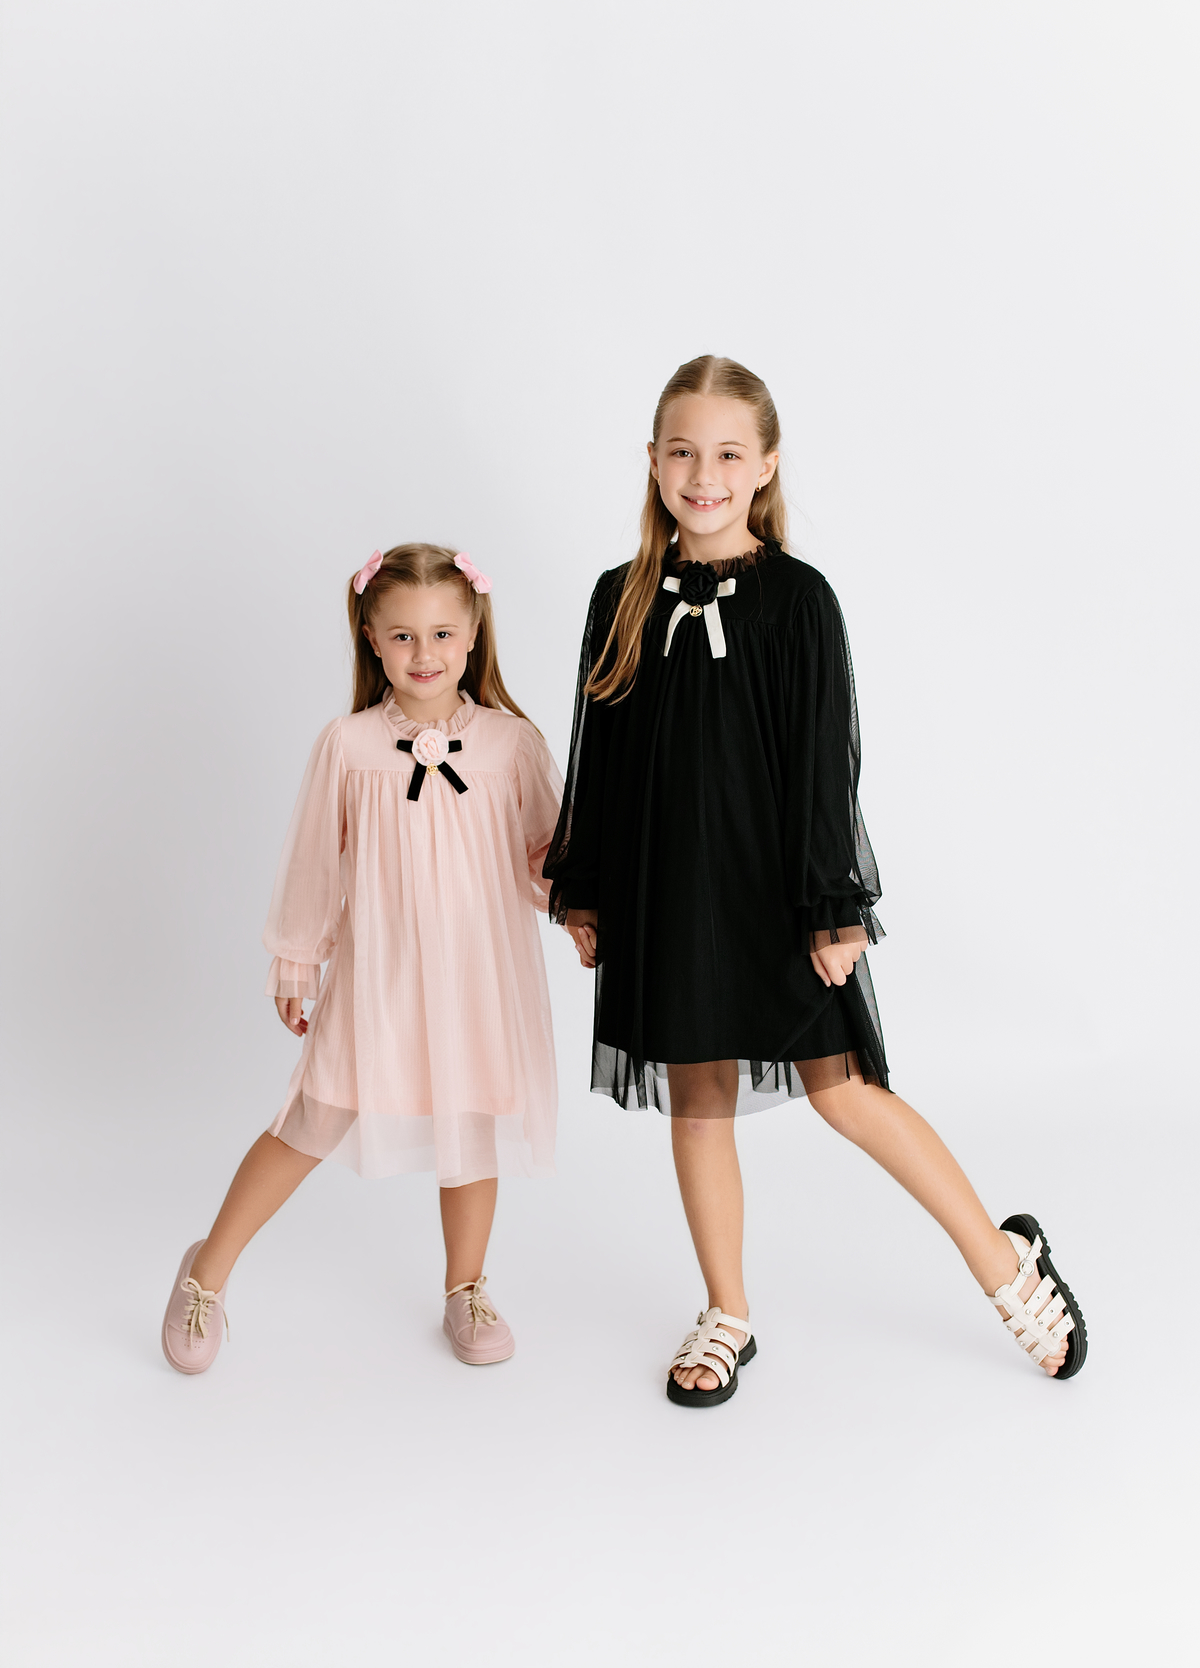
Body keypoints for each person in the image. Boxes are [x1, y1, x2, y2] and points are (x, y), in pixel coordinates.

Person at [545, 355, 1087, 1406]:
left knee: (847, 1094)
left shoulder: (799, 600)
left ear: (766, 465)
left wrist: (833, 906)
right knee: (697, 1099)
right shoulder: (620, 597)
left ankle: (1004, 1261)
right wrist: (590, 888)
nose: (704, 475)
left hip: (775, 893)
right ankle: (727, 1312)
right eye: (683, 453)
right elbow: (599, 753)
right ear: (653, 461)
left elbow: (825, 764)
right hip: (671, 890)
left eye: (728, 455)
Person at [162, 544, 563, 1374]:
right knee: (314, 1116)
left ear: (474, 633)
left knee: (472, 1121)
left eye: (442, 634)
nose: (425, 654)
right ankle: (206, 1271)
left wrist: (584, 913)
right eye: (403, 636)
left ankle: (466, 1286)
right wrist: (297, 960)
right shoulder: (348, 746)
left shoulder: (511, 744)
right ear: (372, 640)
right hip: (381, 973)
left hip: (478, 976)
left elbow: (545, 852)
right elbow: (315, 859)